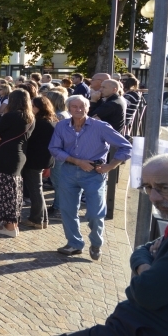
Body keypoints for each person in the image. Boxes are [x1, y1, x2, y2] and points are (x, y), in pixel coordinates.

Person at [41, 153, 168, 336]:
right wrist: (145, 260)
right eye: (148, 187)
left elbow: (145, 291)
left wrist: (143, 266)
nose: (153, 197)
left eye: (164, 188)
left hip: (150, 334)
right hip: (143, 326)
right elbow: (144, 249)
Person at [49, 95, 131, 259]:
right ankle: (74, 243)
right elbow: (54, 148)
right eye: (74, 107)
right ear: (69, 108)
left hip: (94, 173)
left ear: (88, 108)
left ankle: (96, 243)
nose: (78, 110)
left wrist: (110, 166)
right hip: (68, 171)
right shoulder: (61, 126)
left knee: (94, 213)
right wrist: (77, 161)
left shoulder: (100, 126)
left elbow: (126, 147)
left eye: (82, 106)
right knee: (67, 210)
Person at [0, 89, 35, 237]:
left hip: (7, 154)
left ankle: (9, 226)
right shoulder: (30, 117)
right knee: (14, 190)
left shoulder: (11, 116)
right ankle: (12, 223)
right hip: (20, 154)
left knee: (6, 191)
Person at [21, 96, 57, 230]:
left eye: (33, 106)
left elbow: (31, 141)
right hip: (41, 159)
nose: (30, 108)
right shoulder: (50, 120)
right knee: (37, 189)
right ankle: (43, 219)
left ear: (40, 108)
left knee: (35, 190)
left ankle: (36, 219)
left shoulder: (40, 122)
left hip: (35, 160)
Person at [44, 90, 70, 216]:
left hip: (60, 153)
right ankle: (57, 205)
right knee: (57, 180)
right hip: (60, 152)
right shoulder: (62, 114)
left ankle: (58, 207)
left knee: (58, 181)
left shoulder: (59, 116)